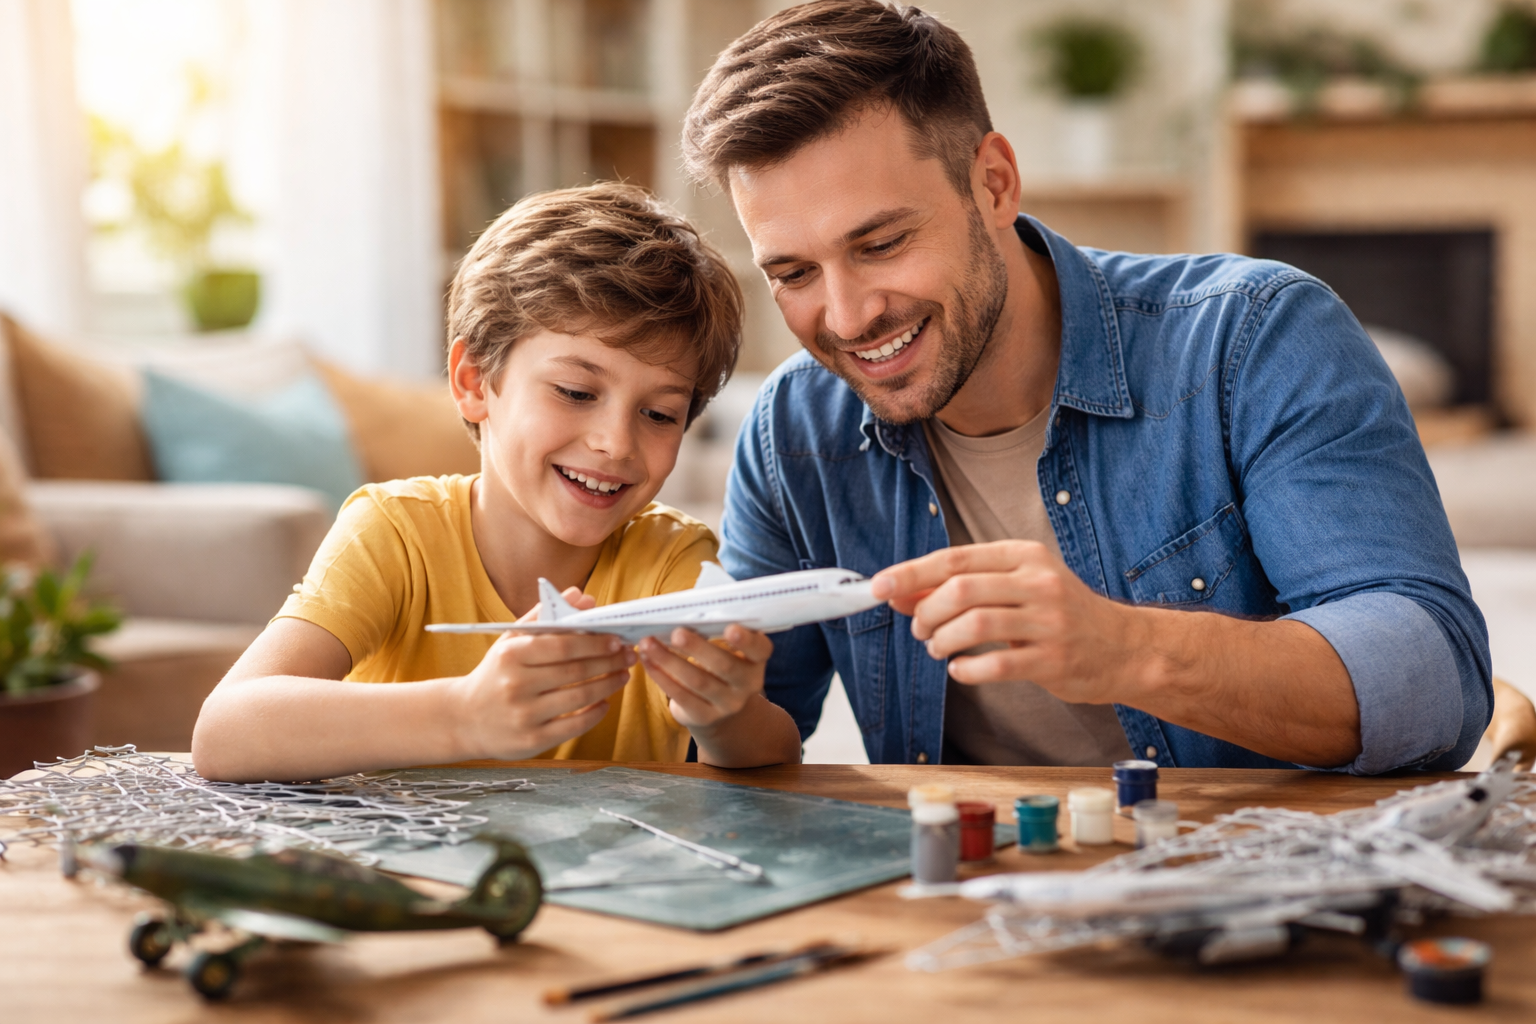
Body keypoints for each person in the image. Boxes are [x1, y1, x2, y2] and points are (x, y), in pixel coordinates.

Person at [681, 0, 1490, 772]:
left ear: (994, 183)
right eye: (792, 273)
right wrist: (700, 705)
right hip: (963, 890)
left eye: (883, 243)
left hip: (1254, 877)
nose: (848, 316)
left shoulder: (1252, 337)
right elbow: (759, 732)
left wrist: (1127, 650)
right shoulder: (793, 430)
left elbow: (1436, 682)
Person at [192, 183, 803, 783]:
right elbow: (225, 733)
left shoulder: (672, 560)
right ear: (474, 381)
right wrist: (464, 716)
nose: (616, 443)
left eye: (659, 414)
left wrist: (721, 716)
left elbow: (774, 755)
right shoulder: (395, 535)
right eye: (575, 392)